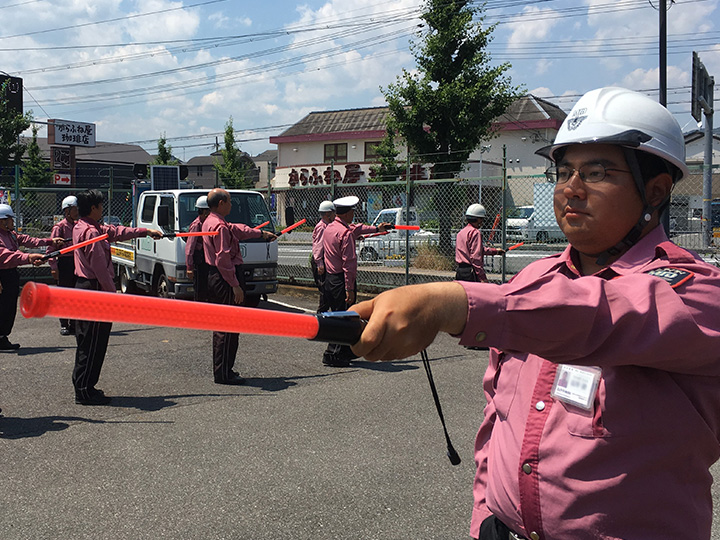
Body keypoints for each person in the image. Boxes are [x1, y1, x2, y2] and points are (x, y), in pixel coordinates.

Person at [350, 87, 720, 540]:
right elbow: (498, 413)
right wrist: (485, 513)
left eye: (597, 172)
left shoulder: (697, 290)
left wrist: (455, 303)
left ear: (656, 191)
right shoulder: (533, 280)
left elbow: (604, 314)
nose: (570, 189)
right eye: (563, 171)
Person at [72, 189, 163, 405]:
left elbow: (117, 231)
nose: (102, 208)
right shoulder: (92, 233)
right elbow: (100, 268)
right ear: (93, 208)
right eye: (101, 205)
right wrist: (113, 295)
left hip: (88, 287)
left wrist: (145, 232)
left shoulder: (86, 227)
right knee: (92, 341)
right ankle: (84, 389)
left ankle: (87, 385)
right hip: (95, 288)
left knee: (92, 340)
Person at [202, 188, 277, 384]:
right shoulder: (219, 226)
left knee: (224, 326)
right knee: (228, 327)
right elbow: (223, 259)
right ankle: (224, 373)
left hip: (218, 277)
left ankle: (225, 370)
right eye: (229, 201)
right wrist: (235, 285)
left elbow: (239, 230)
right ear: (221, 203)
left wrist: (261, 234)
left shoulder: (214, 221)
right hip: (225, 278)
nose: (231, 204)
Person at [321, 195, 391, 367]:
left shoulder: (330, 228)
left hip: (330, 279)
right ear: (347, 214)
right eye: (352, 211)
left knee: (339, 314)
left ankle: (344, 350)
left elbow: (358, 228)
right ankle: (332, 353)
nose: (354, 213)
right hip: (341, 280)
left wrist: (377, 228)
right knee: (343, 317)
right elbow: (349, 264)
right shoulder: (345, 234)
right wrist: (349, 288)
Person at [0, 203, 63, 350]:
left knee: (8, 307)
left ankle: (2, 337)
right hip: (2, 276)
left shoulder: (11, 235)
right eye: (10, 219)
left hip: (10, 274)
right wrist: (28, 258)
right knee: (2, 307)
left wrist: (50, 241)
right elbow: (5, 256)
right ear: (2, 221)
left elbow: (29, 240)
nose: (13, 222)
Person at [49, 195, 79, 335]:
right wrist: (54, 267)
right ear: (66, 211)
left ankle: (74, 323)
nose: (77, 211)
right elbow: (51, 249)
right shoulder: (59, 227)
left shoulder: (78, 225)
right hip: (65, 262)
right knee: (64, 294)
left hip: (76, 261)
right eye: (74, 209)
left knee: (76, 293)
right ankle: (64, 323)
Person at [455, 203, 504, 283]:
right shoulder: (475, 233)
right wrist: (482, 277)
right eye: (482, 219)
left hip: (460, 271)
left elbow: (476, 250)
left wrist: (495, 251)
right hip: (471, 273)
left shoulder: (461, 233)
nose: (482, 222)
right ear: (478, 219)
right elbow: (475, 257)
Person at [311, 200, 336, 312]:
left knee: (327, 290)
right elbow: (318, 246)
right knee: (325, 290)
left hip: (322, 260)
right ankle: (321, 316)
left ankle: (323, 315)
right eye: (333, 213)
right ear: (327, 214)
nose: (335, 215)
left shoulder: (327, 225)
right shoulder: (322, 227)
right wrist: (319, 263)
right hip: (320, 260)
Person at [185, 195, 211, 302]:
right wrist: (189, 267)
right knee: (200, 289)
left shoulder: (208, 223)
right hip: (199, 261)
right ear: (205, 212)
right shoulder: (196, 225)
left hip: (207, 260)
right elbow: (190, 247)